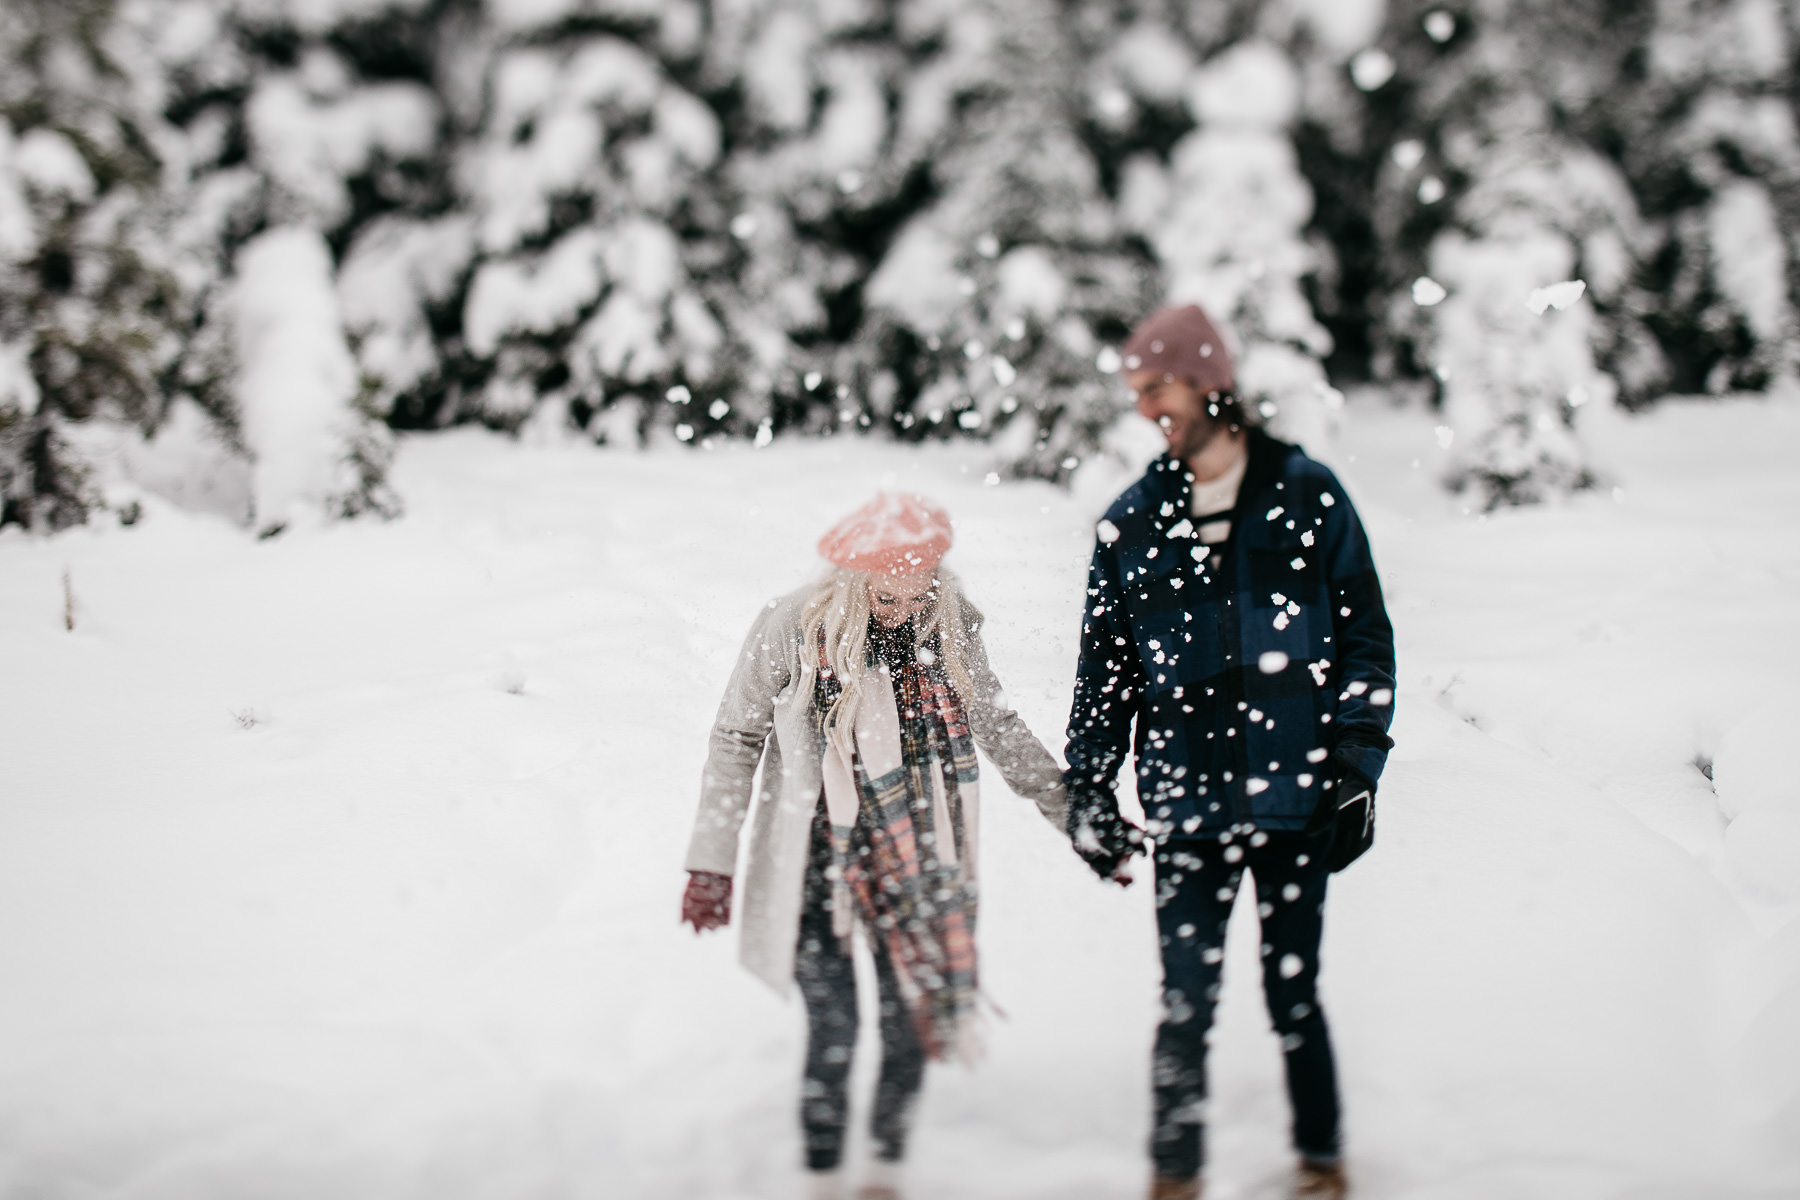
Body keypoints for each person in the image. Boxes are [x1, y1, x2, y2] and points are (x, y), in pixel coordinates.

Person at [1062, 304, 1396, 1200]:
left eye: (1158, 387)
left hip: (1298, 800)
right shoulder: (1132, 524)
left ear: (1211, 380)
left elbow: (1366, 638)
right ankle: (1175, 1179)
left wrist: (1357, 771)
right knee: (1185, 1004)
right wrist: (1088, 792)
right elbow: (1107, 676)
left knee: (1295, 997)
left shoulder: (1307, 494)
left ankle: (1323, 1167)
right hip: (1189, 807)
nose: (1146, 409)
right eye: (1136, 393)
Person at [681, 492, 1068, 1200]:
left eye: (911, 591)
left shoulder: (951, 628)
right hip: (812, 859)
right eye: (883, 594)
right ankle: (825, 1176)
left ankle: (884, 1173)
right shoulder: (792, 627)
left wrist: (1072, 809)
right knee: (835, 1026)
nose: (898, 607)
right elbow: (736, 738)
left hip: (913, 856)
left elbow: (998, 726)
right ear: (851, 578)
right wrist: (711, 862)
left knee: (908, 1020)